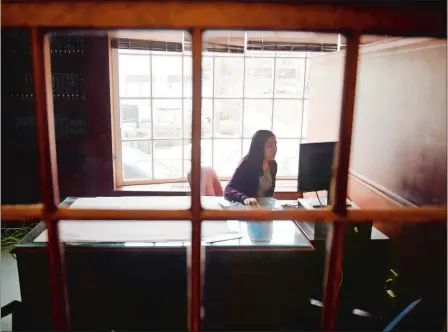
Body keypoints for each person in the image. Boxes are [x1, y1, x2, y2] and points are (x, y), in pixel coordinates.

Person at [225, 130, 277, 205]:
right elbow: (228, 190)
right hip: (247, 209)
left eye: (275, 144)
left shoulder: (273, 165)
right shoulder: (247, 164)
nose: (275, 149)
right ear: (260, 147)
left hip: (264, 210)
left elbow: (268, 196)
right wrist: (245, 198)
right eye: (270, 145)